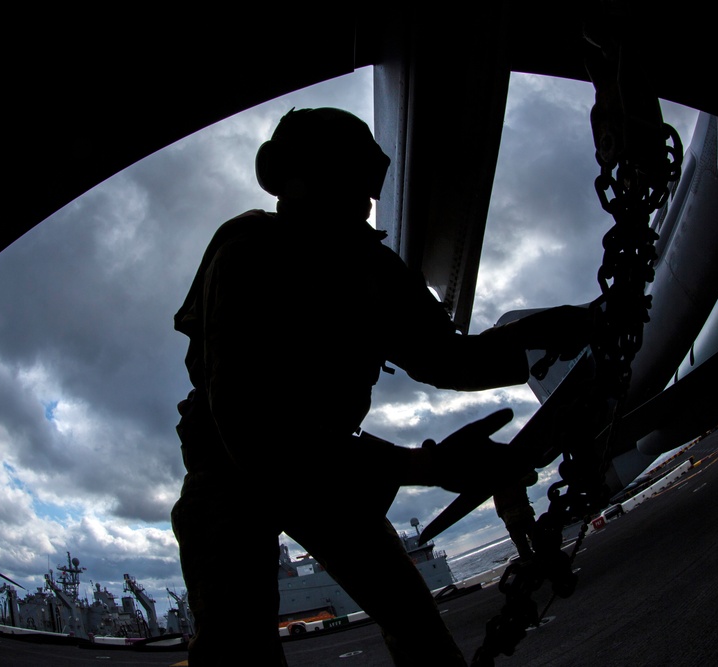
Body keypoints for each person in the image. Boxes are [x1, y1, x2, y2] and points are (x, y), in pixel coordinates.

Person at [170, 107, 590, 666]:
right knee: (235, 651)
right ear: (299, 182)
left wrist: (551, 332)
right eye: (351, 183)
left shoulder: (368, 268)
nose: (366, 204)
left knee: (418, 629)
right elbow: (254, 432)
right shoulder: (247, 255)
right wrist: (424, 468)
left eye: (367, 187)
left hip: (325, 466)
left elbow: (447, 358)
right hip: (230, 474)